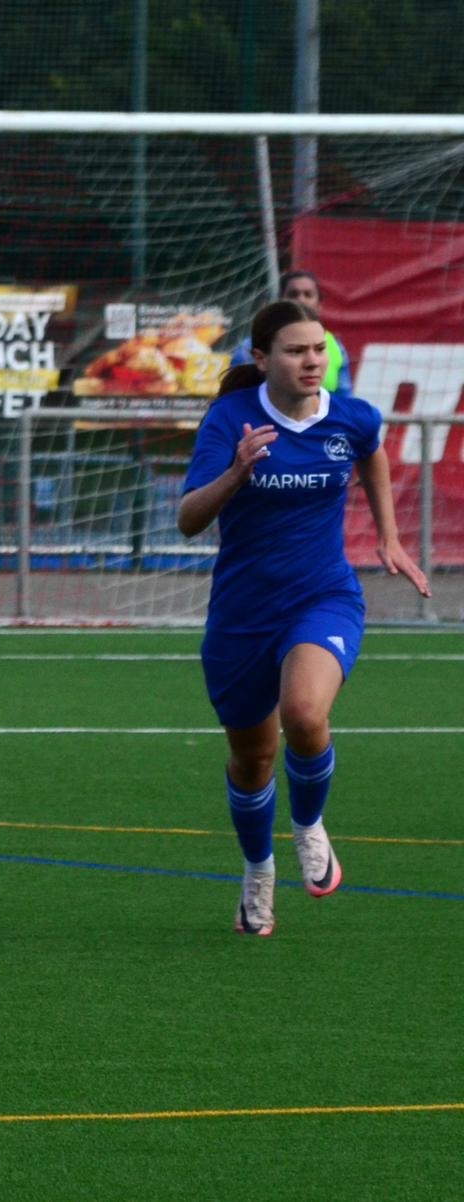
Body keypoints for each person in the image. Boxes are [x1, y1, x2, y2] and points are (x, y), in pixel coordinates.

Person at [178, 299, 429, 937]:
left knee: (305, 714)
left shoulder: (350, 416)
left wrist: (389, 535)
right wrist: (237, 473)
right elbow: (188, 519)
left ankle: (309, 825)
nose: (312, 361)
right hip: (242, 614)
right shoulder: (230, 419)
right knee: (252, 760)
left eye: (319, 349)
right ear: (263, 359)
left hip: (323, 596)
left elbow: (371, 450)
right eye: (296, 351)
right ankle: (257, 872)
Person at [230, 270, 353, 400]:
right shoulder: (250, 347)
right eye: (293, 294)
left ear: (319, 304)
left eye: (319, 349)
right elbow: (235, 398)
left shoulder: (335, 346)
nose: (301, 300)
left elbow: (345, 399)